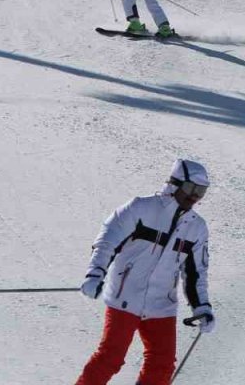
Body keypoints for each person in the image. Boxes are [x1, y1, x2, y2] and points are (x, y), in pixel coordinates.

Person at [75, 159, 215, 385]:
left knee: (162, 365)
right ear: (174, 184)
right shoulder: (141, 208)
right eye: (191, 188)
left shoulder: (197, 228)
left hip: (161, 303)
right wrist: (95, 273)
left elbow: (196, 272)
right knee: (111, 358)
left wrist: (202, 306)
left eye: (201, 191)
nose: (194, 196)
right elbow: (107, 241)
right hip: (125, 295)